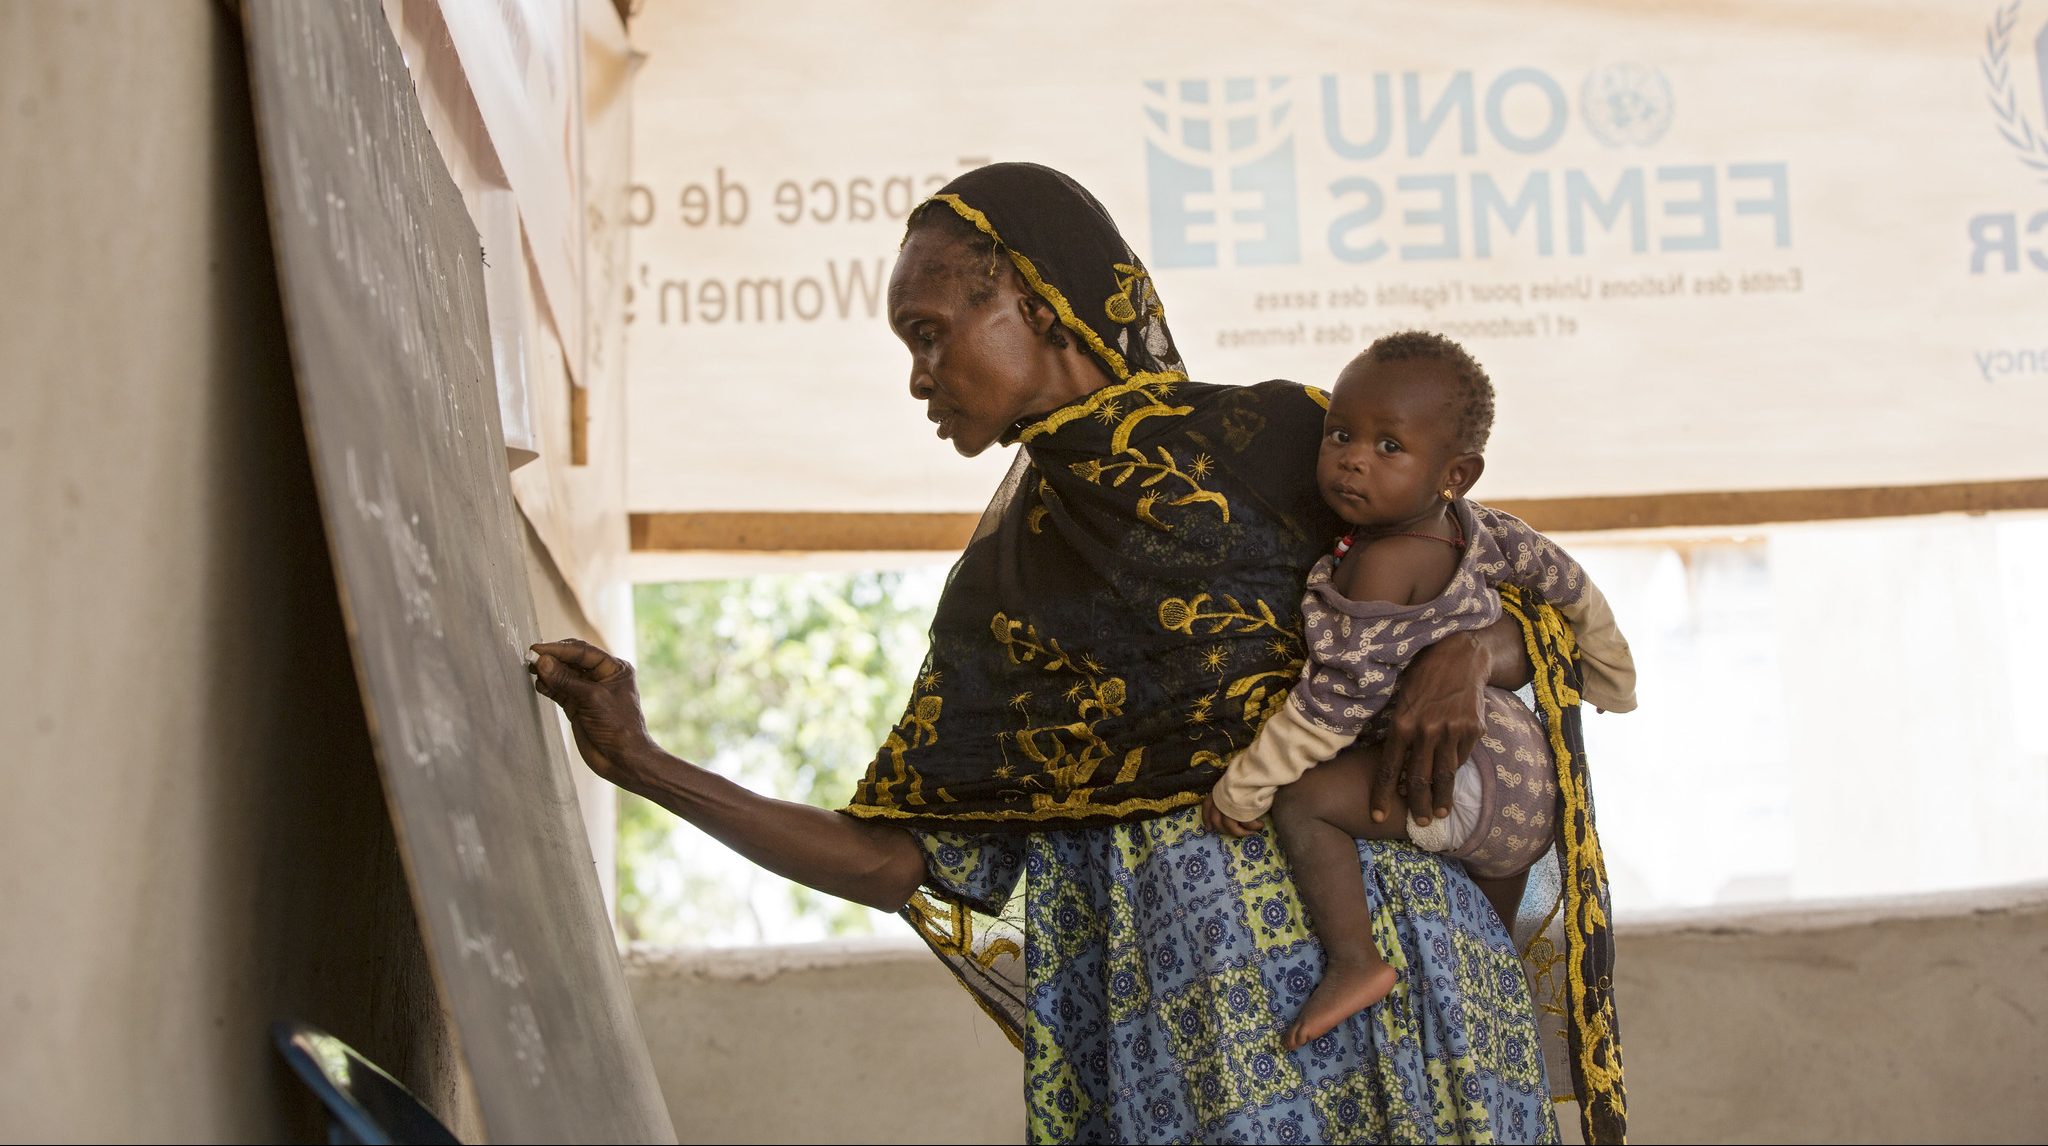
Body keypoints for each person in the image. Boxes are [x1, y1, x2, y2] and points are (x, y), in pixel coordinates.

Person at [530, 163, 1625, 1144]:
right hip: (1192, 1047)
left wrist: (1466, 655)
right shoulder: (1004, 596)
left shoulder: (1289, 442)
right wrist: (643, 765)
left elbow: (1526, 607)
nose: (918, 377)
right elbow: (897, 862)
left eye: (928, 332)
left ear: (1038, 306)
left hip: (1419, 989)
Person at [1200, 332, 1636, 1054]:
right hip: (1526, 777)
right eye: (1340, 434)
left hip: (1460, 776)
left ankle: (1355, 962)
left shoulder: (1379, 567)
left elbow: (1331, 709)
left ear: (1454, 473)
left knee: (1303, 801)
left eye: (1389, 446)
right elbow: (1570, 585)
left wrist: (1245, 787)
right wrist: (1610, 676)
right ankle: (1496, 1004)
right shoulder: (1484, 531)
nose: (1353, 458)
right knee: (1492, 960)